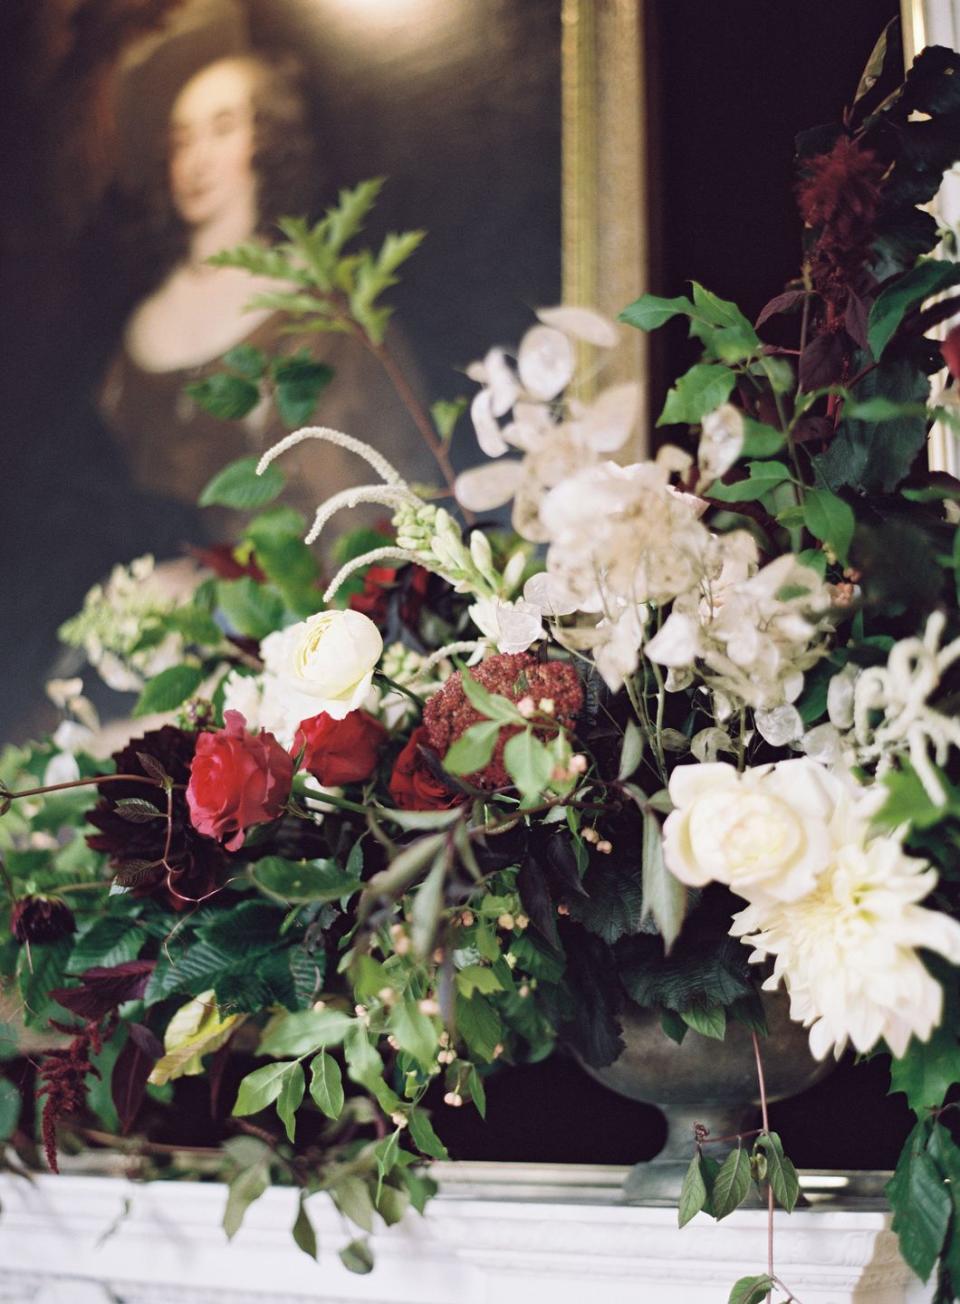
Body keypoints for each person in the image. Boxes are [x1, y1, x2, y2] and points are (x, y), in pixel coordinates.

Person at [99, 53, 428, 531]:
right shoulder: (136, 330)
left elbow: (358, 494)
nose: (197, 159)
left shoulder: (318, 311)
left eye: (223, 129)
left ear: (267, 140)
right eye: (182, 140)